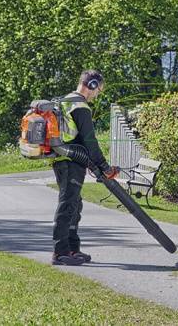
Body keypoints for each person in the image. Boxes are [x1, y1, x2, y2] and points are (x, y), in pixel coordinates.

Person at [51, 69, 119, 266]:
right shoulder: (80, 106)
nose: (98, 94)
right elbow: (90, 141)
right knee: (67, 204)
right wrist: (105, 167)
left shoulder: (65, 101)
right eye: (99, 89)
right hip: (71, 162)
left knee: (75, 204)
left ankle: (72, 248)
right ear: (92, 85)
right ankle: (60, 252)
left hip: (63, 160)